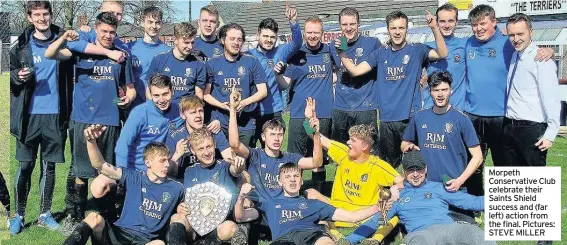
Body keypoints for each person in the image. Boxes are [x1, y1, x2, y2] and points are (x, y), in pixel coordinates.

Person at [45, 12, 136, 231]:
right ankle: (76, 217)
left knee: (106, 171)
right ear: (96, 29)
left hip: (110, 121)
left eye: (112, 32)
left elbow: (130, 90)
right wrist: (63, 37)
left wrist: (126, 99)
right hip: (82, 119)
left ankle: (106, 217)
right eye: (104, 31)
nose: (108, 35)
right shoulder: (80, 51)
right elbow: (50, 54)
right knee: (80, 171)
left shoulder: (122, 56)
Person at [463, 5, 553, 198]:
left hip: (501, 117)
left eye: (483, 23)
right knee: (473, 163)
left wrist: (548, 50)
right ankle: (475, 205)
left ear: (494, 22)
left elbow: (528, 46)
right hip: (472, 115)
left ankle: (509, 209)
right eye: (474, 24)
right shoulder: (467, 43)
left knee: (504, 167)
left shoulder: (508, 43)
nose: (478, 28)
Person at [338, 10, 448, 168]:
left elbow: (442, 53)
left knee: (414, 164)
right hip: (387, 119)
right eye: (393, 28)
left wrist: (435, 28)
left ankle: (415, 193)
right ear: (388, 29)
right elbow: (355, 71)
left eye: (401, 28)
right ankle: (393, 193)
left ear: (406, 29)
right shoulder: (380, 54)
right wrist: (341, 53)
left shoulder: (417, 50)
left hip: (410, 117)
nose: (397, 32)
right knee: (389, 167)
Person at [9, 1, 75, 234]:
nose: (42, 18)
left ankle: (45, 214)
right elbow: (11, 79)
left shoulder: (64, 40)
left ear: (51, 15)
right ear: (29, 18)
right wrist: (18, 76)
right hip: (28, 117)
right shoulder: (20, 46)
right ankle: (18, 215)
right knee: (25, 165)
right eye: (37, 15)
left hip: (55, 116)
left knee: (48, 167)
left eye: (45, 14)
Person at [302, 97, 404, 243]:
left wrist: (394, 190)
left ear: (365, 146)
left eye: (353, 140)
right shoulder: (343, 153)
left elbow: (402, 182)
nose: (348, 142)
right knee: (311, 194)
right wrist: (308, 119)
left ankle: (375, 240)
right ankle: (337, 235)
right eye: (349, 139)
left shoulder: (377, 165)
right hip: (338, 211)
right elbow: (316, 137)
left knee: (393, 208)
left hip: (364, 216)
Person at [62, 125, 183, 245]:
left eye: (168, 160)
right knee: (93, 218)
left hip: (144, 241)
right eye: (162, 160)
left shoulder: (177, 188)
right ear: (148, 162)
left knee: (158, 244)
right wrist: (91, 141)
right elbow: (100, 165)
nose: (167, 164)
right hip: (119, 234)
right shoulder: (134, 178)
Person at [342, 151, 494, 245]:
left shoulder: (438, 187)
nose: (415, 174)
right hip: (422, 234)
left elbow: (471, 202)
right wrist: (349, 240)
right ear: (404, 171)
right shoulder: (397, 196)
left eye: (419, 169)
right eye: (411, 170)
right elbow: (376, 221)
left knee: (479, 236)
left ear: (426, 169)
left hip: (450, 228)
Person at [89, 73, 181, 223]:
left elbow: (193, 120)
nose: (162, 100)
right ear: (150, 94)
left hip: (157, 170)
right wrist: (125, 177)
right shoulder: (140, 113)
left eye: (165, 94)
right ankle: (111, 223)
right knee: (98, 185)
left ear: (172, 91)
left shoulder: (178, 111)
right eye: (156, 95)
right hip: (133, 169)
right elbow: (122, 145)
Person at [233, 162, 384, 245]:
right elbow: (240, 217)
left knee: (326, 243)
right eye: (288, 177)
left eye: (296, 176)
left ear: (301, 180)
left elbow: (351, 217)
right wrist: (241, 197)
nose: (292, 180)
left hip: (311, 235)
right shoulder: (270, 204)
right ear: (280, 181)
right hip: (284, 239)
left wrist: (377, 207)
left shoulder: (314, 204)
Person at [401, 70, 482, 221]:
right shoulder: (420, 117)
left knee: (464, 231)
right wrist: (407, 147)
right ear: (429, 91)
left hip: (453, 188)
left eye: (444, 90)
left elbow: (478, 157)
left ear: (451, 90)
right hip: (426, 187)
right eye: (436, 90)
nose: (440, 94)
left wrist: (460, 180)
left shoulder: (461, 119)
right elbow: (405, 143)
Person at [274, 15, 335, 194]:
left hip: (323, 114)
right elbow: (284, 84)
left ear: (323, 33)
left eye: (316, 32)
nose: (312, 36)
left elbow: (345, 50)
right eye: (309, 32)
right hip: (299, 114)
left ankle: (320, 196)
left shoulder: (329, 51)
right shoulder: (296, 54)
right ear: (304, 33)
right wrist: (277, 75)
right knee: (296, 158)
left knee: (319, 158)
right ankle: (295, 196)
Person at [166, 128, 249, 245]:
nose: (206, 152)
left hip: (219, 224)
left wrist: (239, 164)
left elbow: (235, 170)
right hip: (196, 224)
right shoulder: (189, 171)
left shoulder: (224, 166)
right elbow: (189, 199)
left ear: (214, 144)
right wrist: (181, 206)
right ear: (193, 150)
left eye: (209, 146)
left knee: (229, 228)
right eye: (200, 148)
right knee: (176, 218)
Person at [503, 14, 560, 168]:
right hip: (510, 127)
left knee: (533, 185)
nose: (516, 39)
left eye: (520, 34)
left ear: (531, 33)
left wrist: (550, 133)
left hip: (531, 129)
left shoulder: (541, 59)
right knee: (513, 183)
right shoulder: (515, 55)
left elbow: (551, 97)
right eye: (512, 35)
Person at [204, 23, 268, 147]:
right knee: (221, 161)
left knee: (244, 161)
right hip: (220, 123)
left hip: (246, 123)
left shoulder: (252, 61)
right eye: (232, 39)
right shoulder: (212, 64)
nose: (236, 43)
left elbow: (263, 91)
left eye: (239, 39)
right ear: (222, 40)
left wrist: (243, 103)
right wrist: (222, 105)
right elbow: (205, 94)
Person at [247, 4, 302, 146]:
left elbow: (297, 43)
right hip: (252, 110)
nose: (269, 40)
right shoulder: (248, 55)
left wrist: (293, 22)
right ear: (257, 34)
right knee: (250, 151)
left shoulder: (281, 52)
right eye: (265, 36)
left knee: (273, 150)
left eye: (272, 37)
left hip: (274, 110)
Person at [329, 7, 381, 155]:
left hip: (365, 106)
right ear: (340, 25)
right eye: (344, 24)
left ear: (358, 24)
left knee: (368, 151)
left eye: (352, 24)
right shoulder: (333, 45)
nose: (348, 28)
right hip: (341, 106)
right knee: (342, 151)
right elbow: (333, 71)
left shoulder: (372, 43)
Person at [166, 95, 233, 180]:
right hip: (186, 181)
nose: (198, 115)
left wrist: (237, 168)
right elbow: (169, 174)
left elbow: (230, 159)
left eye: (200, 111)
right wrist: (176, 156)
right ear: (183, 115)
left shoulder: (213, 131)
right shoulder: (175, 137)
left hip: (213, 179)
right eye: (193, 112)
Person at [146, 22, 207, 104]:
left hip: (186, 113)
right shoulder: (159, 60)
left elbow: (199, 95)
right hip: (163, 111)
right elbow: (149, 90)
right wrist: (154, 110)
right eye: (186, 43)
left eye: (192, 42)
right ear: (175, 40)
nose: (190, 47)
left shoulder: (199, 65)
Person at [422, 3, 467, 110]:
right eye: (442, 21)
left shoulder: (466, 44)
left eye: (451, 21)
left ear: (457, 22)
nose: (447, 25)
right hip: (431, 108)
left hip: (457, 109)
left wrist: (503, 33)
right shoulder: (427, 47)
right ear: (436, 22)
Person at [127, 7, 171, 108]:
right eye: (150, 22)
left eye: (157, 22)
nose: (154, 26)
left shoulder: (168, 51)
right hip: (133, 104)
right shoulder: (130, 48)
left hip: (157, 105)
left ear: (162, 24)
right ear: (142, 22)